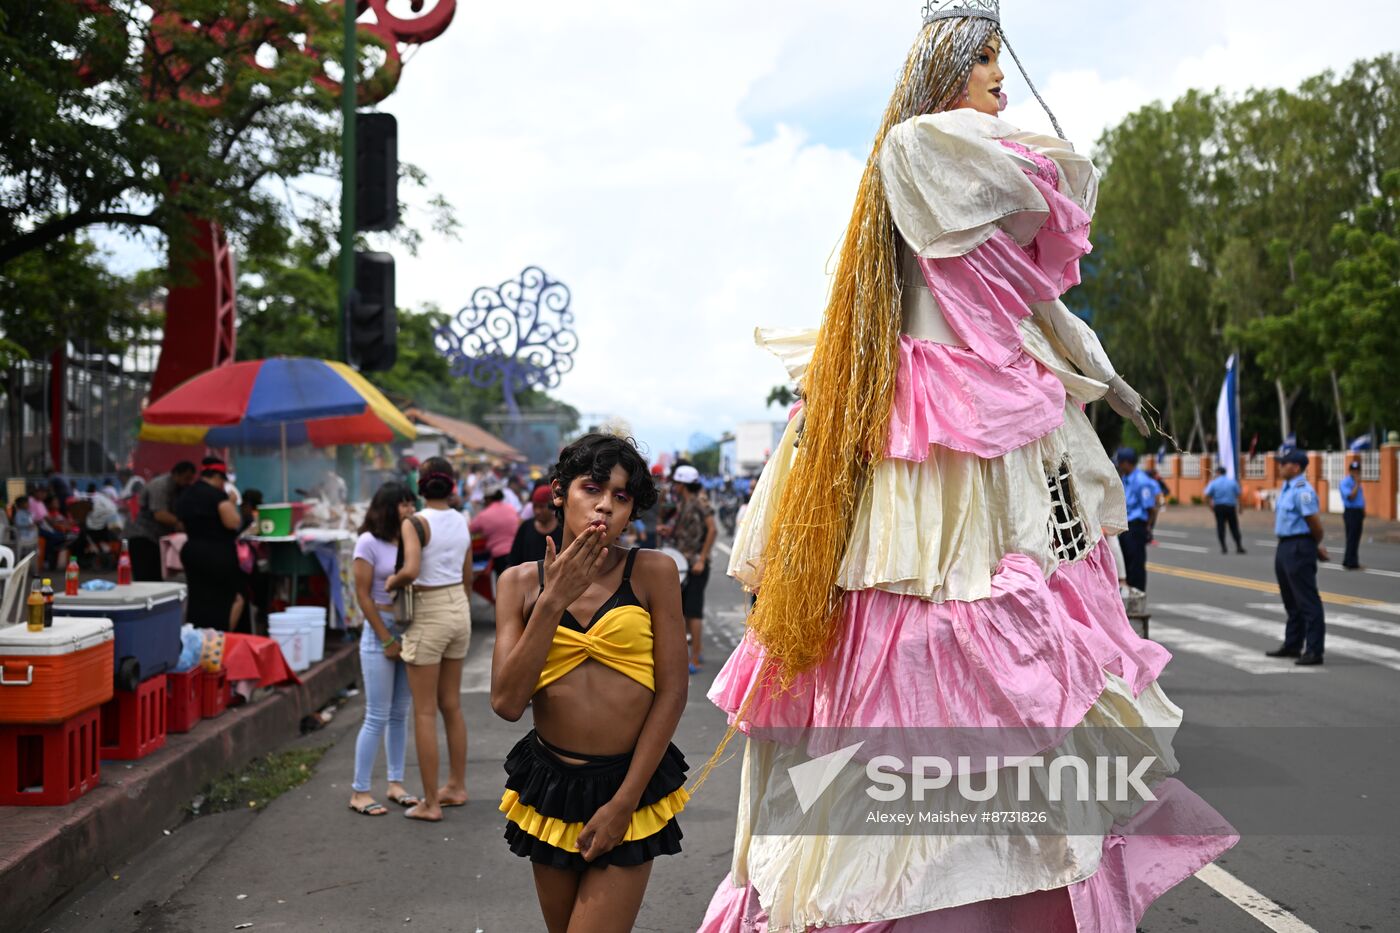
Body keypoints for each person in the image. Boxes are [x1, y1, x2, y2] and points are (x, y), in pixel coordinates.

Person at [697, 4, 1235, 928]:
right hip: (932, 420)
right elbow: (1061, 175)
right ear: (941, 69)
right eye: (982, 58)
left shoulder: (958, 163)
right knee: (925, 612)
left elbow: (1045, 305)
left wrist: (1104, 380)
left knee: (999, 623)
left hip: (998, 410)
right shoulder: (918, 150)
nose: (999, 74)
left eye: (999, 56)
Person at [491, 433, 687, 933]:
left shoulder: (652, 572)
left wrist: (624, 801)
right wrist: (552, 601)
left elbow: (672, 692)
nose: (605, 505)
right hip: (551, 786)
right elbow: (507, 701)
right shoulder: (517, 583)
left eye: (621, 497)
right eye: (592, 488)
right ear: (559, 492)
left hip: (628, 783)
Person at [385, 457, 473, 822]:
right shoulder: (461, 520)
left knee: (423, 711)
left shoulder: (415, 522)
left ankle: (431, 803)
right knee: (450, 705)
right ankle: (455, 786)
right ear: (451, 485)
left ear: (420, 484)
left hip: (429, 610)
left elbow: (411, 570)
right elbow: (467, 575)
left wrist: (390, 584)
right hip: (458, 607)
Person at [349, 483, 419, 817]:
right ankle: (359, 791)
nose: (408, 509)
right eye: (402, 504)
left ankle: (396, 783)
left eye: (411, 503)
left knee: (399, 713)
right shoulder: (368, 542)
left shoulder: (410, 540)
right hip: (380, 632)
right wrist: (385, 639)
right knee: (376, 714)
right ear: (386, 507)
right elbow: (362, 596)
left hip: (407, 628)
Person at [1266, 449, 1327, 666]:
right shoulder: (1287, 487)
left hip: (1299, 546)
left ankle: (1314, 650)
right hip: (1285, 546)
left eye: (1284, 463)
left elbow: (1315, 524)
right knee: (1291, 600)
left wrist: (1314, 544)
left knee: (1307, 600)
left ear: (1296, 467)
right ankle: (1293, 644)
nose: (1280, 466)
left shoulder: (1302, 490)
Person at [176, 457, 244, 631]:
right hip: (217, 553)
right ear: (217, 477)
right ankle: (221, 641)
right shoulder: (217, 495)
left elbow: (181, 522)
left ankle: (198, 640)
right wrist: (231, 503)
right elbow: (232, 522)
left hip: (192, 552)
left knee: (199, 599)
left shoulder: (186, 494)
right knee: (232, 598)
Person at [667, 464, 715, 675]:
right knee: (685, 610)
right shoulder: (684, 503)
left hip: (695, 565)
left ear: (682, 484)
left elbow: (713, 529)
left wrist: (702, 559)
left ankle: (696, 656)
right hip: (684, 564)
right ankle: (692, 651)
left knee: (693, 612)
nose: (673, 486)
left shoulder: (699, 501)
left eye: (676, 483)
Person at [129, 461, 197, 581]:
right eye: (186, 478)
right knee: (146, 579)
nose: (188, 482)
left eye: (191, 479)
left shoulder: (179, 488)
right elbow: (160, 514)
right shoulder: (160, 485)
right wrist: (179, 523)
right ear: (176, 474)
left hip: (158, 539)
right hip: (143, 537)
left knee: (157, 579)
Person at [1115, 448, 1159, 591]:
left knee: (1136, 563)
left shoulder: (1141, 481)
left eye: (1120, 463)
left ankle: (1138, 593)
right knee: (1126, 562)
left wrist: (1148, 528)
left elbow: (1151, 509)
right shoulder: (1126, 478)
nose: (1119, 466)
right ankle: (1128, 594)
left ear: (1127, 463)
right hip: (1126, 525)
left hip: (1136, 525)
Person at [499, 484, 564, 574]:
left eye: (541, 507)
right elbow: (514, 560)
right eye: (535, 507)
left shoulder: (562, 528)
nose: (537, 511)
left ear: (551, 505)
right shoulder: (526, 527)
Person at [470, 479, 523, 579]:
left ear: (488, 499)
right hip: (515, 552)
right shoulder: (510, 508)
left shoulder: (484, 515)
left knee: (504, 585)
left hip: (499, 557)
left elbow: (470, 529)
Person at [1203, 465, 1246, 555]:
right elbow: (1239, 495)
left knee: (1220, 527)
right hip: (1230, 507)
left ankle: (1223, 547)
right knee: (1234, 527)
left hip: (1219, 507)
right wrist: (1241, 507)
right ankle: (1239, 546)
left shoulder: (1214, 482)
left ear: (1218, 473)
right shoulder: (1232, 482)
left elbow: (1207, 495)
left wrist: (1210, 506)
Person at [1340, 458, 1366, 569]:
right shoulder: (1346, 482)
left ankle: (1349, 561)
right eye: (1354, 470)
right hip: (1350, 512)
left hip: (1358, 512)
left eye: (1358, 470)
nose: (1356, 472)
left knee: (1356, 537)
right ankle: (1351, 563)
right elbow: (1351, 497)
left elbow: (1360, 499)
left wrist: (1363, 510)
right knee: (1351, 537)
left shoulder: (1357, 483)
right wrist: (1356, 484)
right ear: (1350, 471)